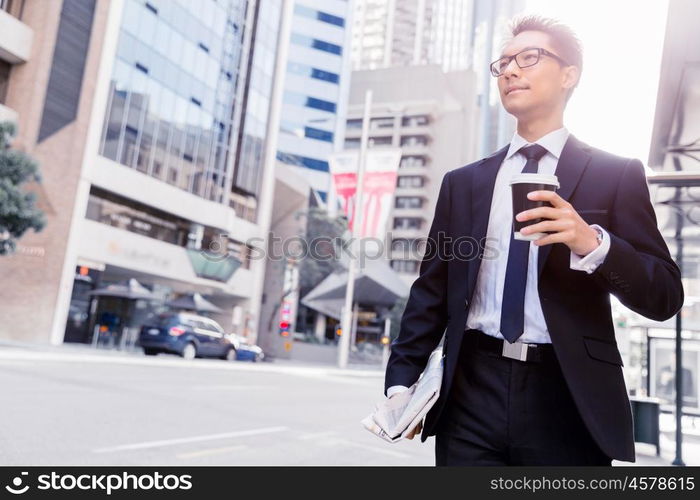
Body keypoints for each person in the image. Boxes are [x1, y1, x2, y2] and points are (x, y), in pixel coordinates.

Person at [383, 15, 684, 466]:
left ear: (569, 75)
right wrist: (400, 384)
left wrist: (592, 243)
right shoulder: (462, 183)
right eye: (502, 62)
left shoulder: (615, 174)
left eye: (528, 57)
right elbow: (431, 290)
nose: (510, 70)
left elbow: (663, 295)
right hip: (470, 392)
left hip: (568, 395)